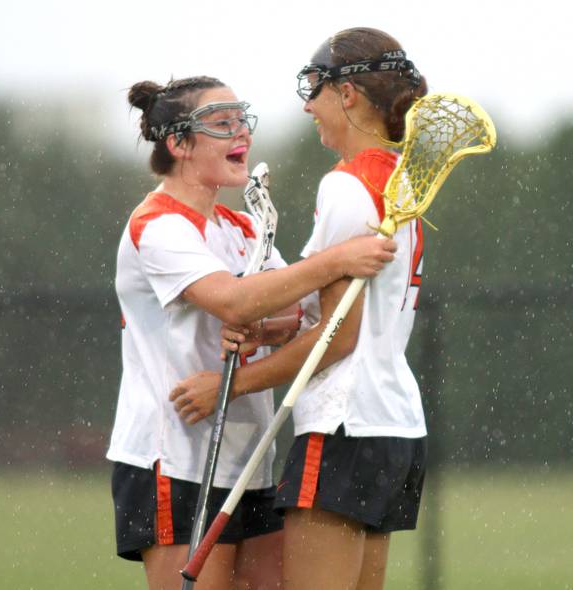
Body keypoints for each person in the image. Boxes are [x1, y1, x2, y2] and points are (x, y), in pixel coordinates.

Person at [106, 74, 397, 590]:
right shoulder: (158, 225)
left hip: (247, 459)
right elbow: (234, 299)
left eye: (243, 120)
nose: (241, 133)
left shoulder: (240, 228)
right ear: (178, 144)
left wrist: (268, 325)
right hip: (173, 457)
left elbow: (292, 306)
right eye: (221, 124)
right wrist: (337, 258)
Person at [170, 28, 428, 590]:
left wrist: (231, 386)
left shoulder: (345, 186)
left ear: (349, 94)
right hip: (394, 427)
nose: (308, 104)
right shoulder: (401, 182)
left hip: (343, 422)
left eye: (315, 87)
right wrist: (276, 327)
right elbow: (346, 316)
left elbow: (339, 337)